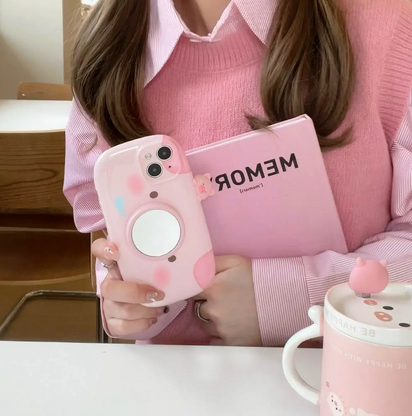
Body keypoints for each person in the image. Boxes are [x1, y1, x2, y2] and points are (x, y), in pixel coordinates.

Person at [64, 0, 412, 346]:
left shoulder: (388, 25)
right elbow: (114, 250)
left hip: (345, 373)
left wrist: (287, 297)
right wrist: (130, 304)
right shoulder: (106, 49)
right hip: (168, 376)